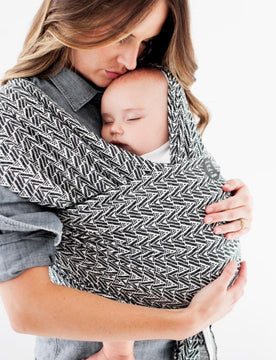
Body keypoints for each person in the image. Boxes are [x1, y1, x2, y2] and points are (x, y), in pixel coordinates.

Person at [0, 1, 251, 359]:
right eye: (122, 37)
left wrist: (225, 202)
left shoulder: (152, 86)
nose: (131, 60)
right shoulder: (19, 120)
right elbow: (27, 308)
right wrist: (184, 321)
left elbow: (176, 183)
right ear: (78, 12)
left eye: (145, 43)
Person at [88, 66, 238, 360]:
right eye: (107, 121)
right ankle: (117, 350)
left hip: (205, 304)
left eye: (132, 118)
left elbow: (215, 186)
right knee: (113, 276)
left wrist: (234, 196)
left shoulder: (194, 159)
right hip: (132, 282)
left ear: (173, 122)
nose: (115, 128)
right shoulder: (113, 165)